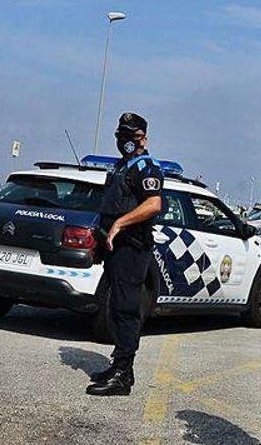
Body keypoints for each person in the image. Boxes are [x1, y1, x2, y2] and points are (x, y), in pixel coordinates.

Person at [86, 112, 164, 396]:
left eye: (130, 136)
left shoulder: (146, 167)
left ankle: (123, 375)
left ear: (143, 137)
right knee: (114, 307)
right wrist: (100, 237)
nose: (124, 141)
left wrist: (120, 223)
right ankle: (118, 365)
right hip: (114, 248)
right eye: (121, 135)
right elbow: (109, 206)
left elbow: (154, 204)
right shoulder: (121, 167)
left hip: (133, 247)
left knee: (127, 310)